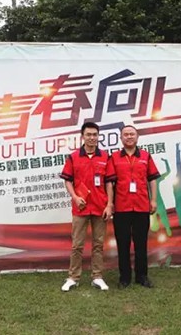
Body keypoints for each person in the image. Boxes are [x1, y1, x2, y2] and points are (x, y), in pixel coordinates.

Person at [60, 122, 112, 292]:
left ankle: (97, 277)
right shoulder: (74, 157)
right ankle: (73, 277)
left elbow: (109, 183)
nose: (92, 138)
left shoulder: (105, 157)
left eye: (94, 134)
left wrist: (109, 204)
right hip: (80, 208)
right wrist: (75, 197)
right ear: (82, 136)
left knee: (98, 244)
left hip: (100, 207)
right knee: (77, 245)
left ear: (98, 136)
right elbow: (68, 180)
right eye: (88, 134)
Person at [106, 125, 160, 289]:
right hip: (121, 207)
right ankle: (124, 277)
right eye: (126, 134)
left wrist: (153, 200)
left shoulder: (145, 156)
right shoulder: (114, 157)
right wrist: (110, 203)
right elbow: (109, 182)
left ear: (137, 137)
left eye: (132, 134)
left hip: (142, 206)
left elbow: (152, 179)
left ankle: (142, 276)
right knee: (122, 244)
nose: (129, 137)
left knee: (141, 243)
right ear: (121, 138)